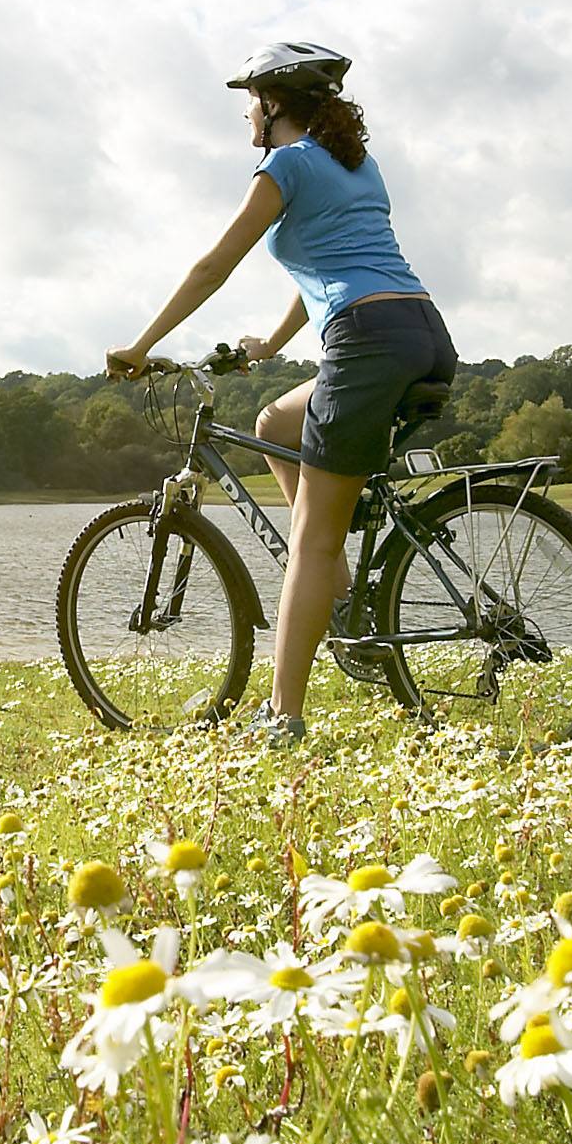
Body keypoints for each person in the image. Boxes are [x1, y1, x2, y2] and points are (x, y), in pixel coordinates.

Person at [108, 41, 456, 743]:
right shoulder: (358, 165)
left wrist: (141, 346)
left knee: (309, 539)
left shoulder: (285, 163)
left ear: (272, 107)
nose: (245, 117)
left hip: (365, 342)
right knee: (273, 419)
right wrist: (268, 342)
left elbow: (216, 265)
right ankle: (344, 593)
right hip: (421, 329)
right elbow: (335, 265)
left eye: (249, 104)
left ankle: (282, 715)